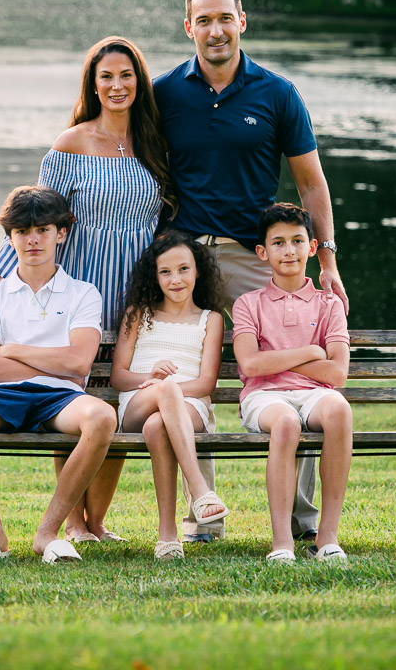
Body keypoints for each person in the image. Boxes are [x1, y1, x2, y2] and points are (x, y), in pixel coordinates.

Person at [153, 0, 349, 543]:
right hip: (184, 261)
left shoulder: (277, 93)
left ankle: (301, 520)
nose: (216, 30)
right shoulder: (165, 93)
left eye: (225, 18)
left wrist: (327, 258)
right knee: (190, 383)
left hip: (252, 259)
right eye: (204, 20)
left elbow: (311, 185)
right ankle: (202, 518)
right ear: (189, 28)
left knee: (299, 377)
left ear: (243, 22)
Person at [0, 36, 172, 542]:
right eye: (106, 77)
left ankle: (96, 520)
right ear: (93, 84)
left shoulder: (155, 144)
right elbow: (35, 216)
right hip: (81, 281)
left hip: (133, 287)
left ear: (139, 82)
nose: (117, 85)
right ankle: (73, 522)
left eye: (126, 75)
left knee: (116, 402)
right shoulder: (70, 143)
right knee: (71, 394)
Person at [0, 185, 117, 564]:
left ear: (61, 233)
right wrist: (54, 359)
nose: (33, 239)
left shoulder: (83, 293)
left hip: (60, 397)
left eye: (43, 230)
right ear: (10, 237)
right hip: (1, 395)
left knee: (101, 416)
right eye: (22, 231)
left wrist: (13, 349)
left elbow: (79, 364)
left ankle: (47, 533)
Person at [232, 203, 352, 562]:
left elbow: (337, 374)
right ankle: (282, 541)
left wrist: (284, 360)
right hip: (264, 396)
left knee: (339, 411)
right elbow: (251, 365)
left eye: (297, 241)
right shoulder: (248, 303)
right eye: (279, 243)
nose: (289, 251)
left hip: (315, 395)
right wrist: (312, 351)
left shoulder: (328, 304)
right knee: (285, 423)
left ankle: (327, 538)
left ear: (312, 248)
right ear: (262, 252)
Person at [110, 231, 229, 559]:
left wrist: (170, 391)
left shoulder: (211, 319)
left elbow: (206, 383)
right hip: (137, 402)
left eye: (183, 269)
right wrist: (151, 379)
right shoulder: (139, 314)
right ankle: (200, 492)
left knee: (157, 426)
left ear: (197, 271)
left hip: (190, 407)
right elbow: (118, 376)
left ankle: (168, 537)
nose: (175, 279)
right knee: (162, 394)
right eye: (165, 272)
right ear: (155, 276)